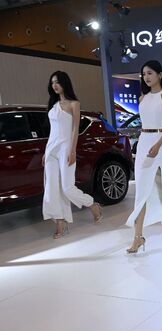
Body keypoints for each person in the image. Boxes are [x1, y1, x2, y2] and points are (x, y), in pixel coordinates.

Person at [125, 60, 162, 253]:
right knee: (142, 187)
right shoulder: (142, 98)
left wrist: (159, 144)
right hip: (144, 140)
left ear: (160, 75)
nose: (146, 77)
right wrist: (148, 144)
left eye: (150, 73)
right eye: (144, 74)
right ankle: (138, 237)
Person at [42, 71, 102, 239]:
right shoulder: (53, 105)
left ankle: (92, 204)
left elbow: (75, 129)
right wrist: (46, 151)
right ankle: (60, 221)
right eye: (52, 82)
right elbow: (53, 131)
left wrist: (72, 150)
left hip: (66, 148)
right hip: (51, 150)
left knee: (67, 188)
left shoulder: (74, 104)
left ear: (64, 84)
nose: (55, 85)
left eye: (58, 82)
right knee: (52, 188)